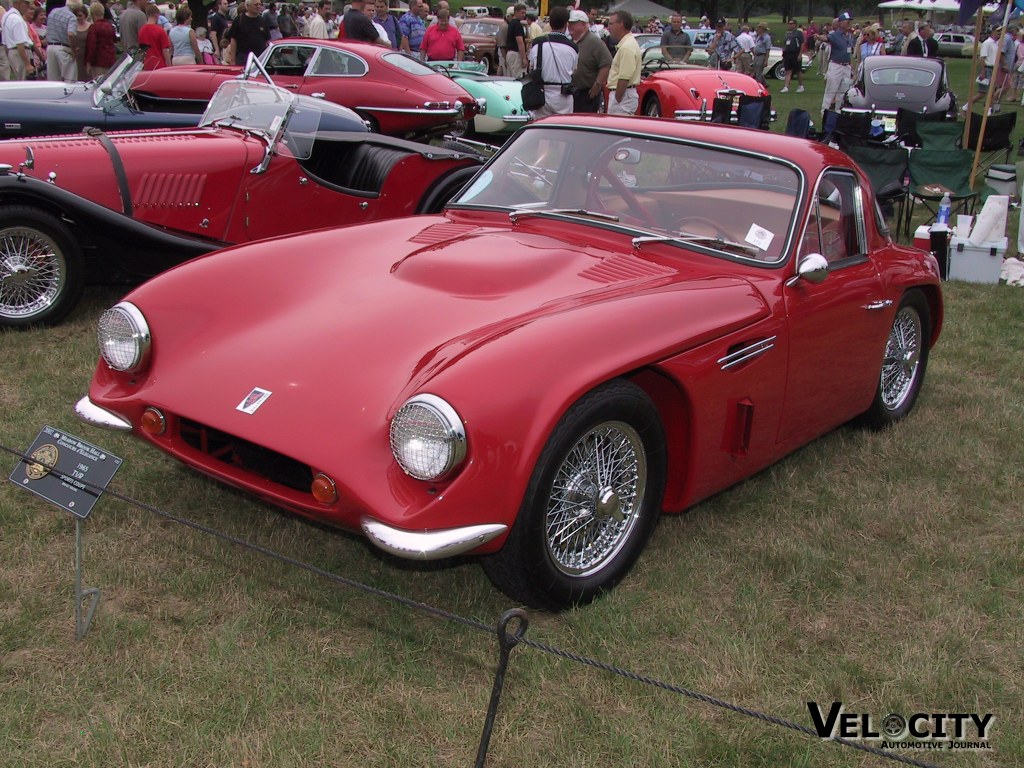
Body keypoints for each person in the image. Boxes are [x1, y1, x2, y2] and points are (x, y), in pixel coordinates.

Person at [526, 5, 576, 116]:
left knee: (541, 128)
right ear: (566, 24)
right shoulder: (573, 47)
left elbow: (532, 66)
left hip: (541, 94)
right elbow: (573, 70)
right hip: (563, 95)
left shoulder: (537, 43)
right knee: (563, 130)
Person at [567, 7, 610, 112]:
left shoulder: (595, 42)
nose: (569, 26)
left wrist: (597, 85)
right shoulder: (570, 42)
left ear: (583, 24)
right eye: (569, 23)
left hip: (586, 95)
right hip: (570, 93)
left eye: (573, 23)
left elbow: (606, 63)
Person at [818, 12, 854, 114]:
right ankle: (824, 110)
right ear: (841, 23)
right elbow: (826, 38)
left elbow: (849, 51)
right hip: (836, 65)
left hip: (846, 66)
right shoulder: (834, 35)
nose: (849, 23)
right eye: (847, 21)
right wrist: (820, 37)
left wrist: (852, 65)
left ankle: (838, 109)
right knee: (831, 88)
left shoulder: (848, 36)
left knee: (843, 88)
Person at [606, 9, 640, 115]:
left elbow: (624, 77)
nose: (608, 27)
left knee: (615, 128)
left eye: (611, 24)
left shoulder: (627, 47)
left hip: (623, 96)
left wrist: (617, 98)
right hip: (624, 95)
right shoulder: (627, 44)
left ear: (621, 24)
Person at [223, 0, 270, 65]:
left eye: (260, 4)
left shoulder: (263, 21)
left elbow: (267, 41)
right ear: (247, 6)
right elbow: (233, 40)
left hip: (260, 60)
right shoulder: (239, 20)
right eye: (256, 5)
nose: (258, 6)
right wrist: (233, 60)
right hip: (243, 59)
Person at [3, 0, 36, 80]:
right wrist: (27, 64)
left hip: (12, 52)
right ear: (20, 3)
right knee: (24, 81)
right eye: (27, 3)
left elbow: (5, 43)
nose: (29, 6)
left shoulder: (6, 16)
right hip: (20, 53)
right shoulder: (17, 20)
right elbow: (20, 44)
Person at [84, 0, 115, 78]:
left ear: (92, 14)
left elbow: (91, 46)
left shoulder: (94, 27)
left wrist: (88, 62)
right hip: (111, 60)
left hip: (98, 61)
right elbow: (114, 40)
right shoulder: (110, 26)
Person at [138, 2, 170, 68]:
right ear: (156, 15)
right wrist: (169, 65)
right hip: (159, 65)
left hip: (147, 64)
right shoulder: (160, 31)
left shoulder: (141, 31)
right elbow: (165, 50)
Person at [779, 19, 804, 92]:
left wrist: (800, 54)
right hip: (788, 53)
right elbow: (785, 43)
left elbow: (802, 43)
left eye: (791, 23)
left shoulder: (799, 33)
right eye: (789, 23)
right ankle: (786, 87)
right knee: (788, 70)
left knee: (798, 70)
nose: (789, 25)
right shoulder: (787, 34)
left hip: (795, 53)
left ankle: (800, 85)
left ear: (795, 25)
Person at [505, 3, 527, 78]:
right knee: (517, 77)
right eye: (522, 13)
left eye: (524, 13)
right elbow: (520, 42)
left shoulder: (511, 23)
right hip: (515, 54)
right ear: (516, 12)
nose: (524, 15)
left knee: (510, 78)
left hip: (510, 53)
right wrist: (524, 58)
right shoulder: (517, 25)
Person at [69, 2, 89, 80]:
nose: (78, 17)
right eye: (76, 15)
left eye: (80, 15)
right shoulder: (71, 27)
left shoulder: (90, 26)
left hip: (86, 57)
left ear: (85, 15)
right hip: (75, 57)